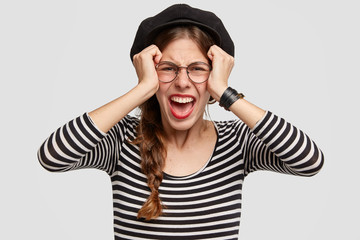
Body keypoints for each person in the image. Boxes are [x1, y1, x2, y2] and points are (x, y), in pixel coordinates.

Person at [38, 4, 324, 240]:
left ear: (213, 78)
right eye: (168, 69)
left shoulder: (238, 142)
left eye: (198, 69)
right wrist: (141, 89)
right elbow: (52, 156)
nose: (183, 82)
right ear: (151, 74)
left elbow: (310, 161)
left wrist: (227, 94)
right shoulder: (121, 141)